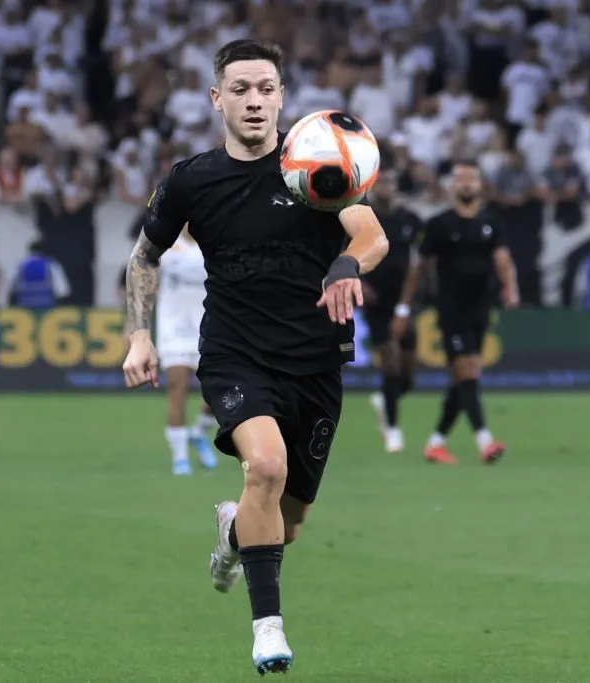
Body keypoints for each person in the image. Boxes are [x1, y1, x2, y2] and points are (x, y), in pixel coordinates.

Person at [122, 40, 388, 675]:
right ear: (218, 99)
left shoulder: (316, 167)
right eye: (240, 88)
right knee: (264, 468)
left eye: (266, 88)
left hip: (316, 362)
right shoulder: (192, 179)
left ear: (282, 98)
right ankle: (269, 632)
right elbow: (143, 257)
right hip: (234, 353)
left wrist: (348, 262)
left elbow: (371, 234)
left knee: (285, 523)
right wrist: (139, 334)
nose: (254, 100)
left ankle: (232, 531)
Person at [393, 161, 518, 465]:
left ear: (480, 185)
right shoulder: (438, 224)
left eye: (472, 178)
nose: (466, 183)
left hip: (480, 308)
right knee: (468, 373)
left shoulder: (491, 222)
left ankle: (436, 443)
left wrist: (510, 288)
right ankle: (485, 441)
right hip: (451, 310)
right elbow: (418, 270)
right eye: (460, 178)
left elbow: (503, 259)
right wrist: (403, 307)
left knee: (462, 380)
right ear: (452, 186)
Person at [362, 171, 423, 453]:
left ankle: (384, 401)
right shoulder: (361, 216)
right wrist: (358, 281)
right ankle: (393, 430)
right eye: (382, 183)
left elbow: (417, 263)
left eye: (391, 183)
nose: (386, 188)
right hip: (377, 303)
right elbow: (340, 252)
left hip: (404, 300)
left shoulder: (408, 220)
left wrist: (406, 304)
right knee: (391, 363)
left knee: (408, 373)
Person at [156, 225, 220, 475]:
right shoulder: (165, 243)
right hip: (174, 328)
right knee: (177, 388)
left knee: (219, 392)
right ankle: (180, 459)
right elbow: (144, 276)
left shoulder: (216, 242)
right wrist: (133, 324)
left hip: (210, 326)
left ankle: (198, 432)